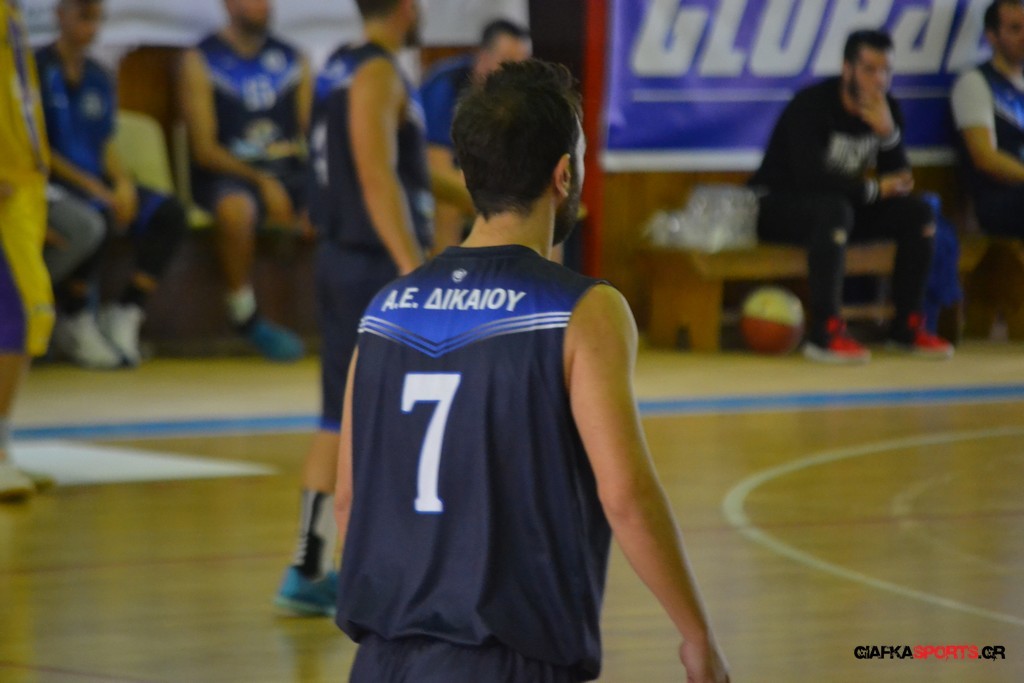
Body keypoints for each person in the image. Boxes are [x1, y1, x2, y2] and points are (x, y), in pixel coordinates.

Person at [332, 59, 731, 683]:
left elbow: (348, 501)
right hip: (504, 660)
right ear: (564, 174)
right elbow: (626, 496)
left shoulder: (385, 310)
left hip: (381, 659)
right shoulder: (583, 309)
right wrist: (696, 634)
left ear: (470, 175)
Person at [273, 0, 436, 616]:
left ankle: (311, 567)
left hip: (342, 257)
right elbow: (376, 174)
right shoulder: (379, 72)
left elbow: (397, 173)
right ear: (405, 7)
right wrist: (411, 267)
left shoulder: (338, 66)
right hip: (373, 265)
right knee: (393, 417)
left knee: (337, 416)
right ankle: (397, 567)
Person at [749, 29, 954, 363]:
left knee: (918, 214)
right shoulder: (811, 105)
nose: (879, 80)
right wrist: (872, 190)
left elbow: (899, 182)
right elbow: (809, 179)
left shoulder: (887, 110)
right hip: (778, 206)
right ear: (847, 69)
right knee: (835, 210)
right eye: (870, 69)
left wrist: (888, 135)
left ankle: (907, 328)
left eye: (886, 70)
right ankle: (825, 333)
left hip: (838, 209)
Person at [36, 0, 187, 369]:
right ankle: (74, 316)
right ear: (59, 15)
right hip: (53, 181)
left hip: (95, 180)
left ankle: (127, 309)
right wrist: (94, 187)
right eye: (82, 17)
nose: (90, 27)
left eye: (97, 19)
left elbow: (104, 141)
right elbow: (37, 147)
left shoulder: (99, 75)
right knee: (97, 214)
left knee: (168, 213)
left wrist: (122, 183)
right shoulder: (36, 68)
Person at [178, 0, 311, 362]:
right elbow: (204, 149)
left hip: (288, 171)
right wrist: (263, 182)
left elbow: (312, 134)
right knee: (237, 210)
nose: (263, 5)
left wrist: (316, 190)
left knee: (342, 200)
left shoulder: (293, 58)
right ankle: (243, 312)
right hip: (229, 172)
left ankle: (347, 316)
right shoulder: (201, 59)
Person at [0, 0, 56, 500]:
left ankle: (4, 447)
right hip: (6, 187)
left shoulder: (11, 15)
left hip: (24, 187)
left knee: (19, 316)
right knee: (19, 313)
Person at [420, 18, 530, 249]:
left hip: (487, 185)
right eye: (508, 62)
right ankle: (446, 270)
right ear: (483, 58)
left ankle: (538, 272)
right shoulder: (445, 87)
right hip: (430, 185)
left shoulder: (523, 98)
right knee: (448, 205)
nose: (516, 75)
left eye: (522, 65)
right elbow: (438, 171)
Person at [951, 0, 1024, 239]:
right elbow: (985, 158)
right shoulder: (975, 82)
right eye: (1015, 28)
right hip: (999, 199)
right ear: (992, 37)